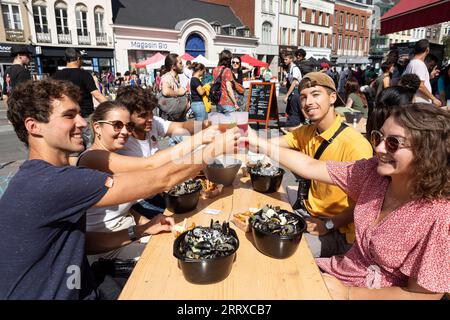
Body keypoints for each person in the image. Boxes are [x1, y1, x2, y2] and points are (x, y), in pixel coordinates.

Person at [0, 79, 240, 299]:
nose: (82, 122)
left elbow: (85, 243)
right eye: (69, 116)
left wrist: (140, 230)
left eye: (80, 114)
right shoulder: (52, 182)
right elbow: (159, 176)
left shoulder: (45, 176)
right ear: (33, 126)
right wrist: (211, 150)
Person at [251, 103, 449, 299]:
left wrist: (349, 293)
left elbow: (425, 295)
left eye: (393, 143)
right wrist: (257, 142)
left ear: (428, 153)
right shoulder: (373, 173)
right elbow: (310, 166)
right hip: (337, 275)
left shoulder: (438, 215)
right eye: (378, 137)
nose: (379, 148)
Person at [76, 101, 219, 262]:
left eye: (128, 126)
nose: (124, 132)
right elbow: (151, 165)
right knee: (180, 257)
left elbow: (121, 208)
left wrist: (147, 224)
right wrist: (200, 140)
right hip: (108, 251)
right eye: (117, 125)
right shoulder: (93, 157)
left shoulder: (115, 153)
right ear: (97, 127)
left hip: (130, 235)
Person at [263, 72, 373, 258]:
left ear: (332, 97)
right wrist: (243, 138)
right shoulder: (308, 131)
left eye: (315, 94)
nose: (308, 102)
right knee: (263, 226)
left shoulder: (355, 144)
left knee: (284, 251)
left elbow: (365, 204)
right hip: (308, 214)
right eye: (304, 97)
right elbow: (270, 144)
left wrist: (329, 225)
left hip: (338, 230)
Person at [54, 48, 108, 147]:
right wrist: (111, 106)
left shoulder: (57, 75)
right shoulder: (85, 75)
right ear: (78, 58)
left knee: (71, 146)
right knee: (89, 144)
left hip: (66, 116)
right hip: (85, 115)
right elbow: (97, 95)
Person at [403, 39, 441, 107]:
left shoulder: (412, 63)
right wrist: (434, 99)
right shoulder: (419, 64)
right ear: (427, 50)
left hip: (416, 103)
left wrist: (429, 76)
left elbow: (414, 81)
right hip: (420, 104)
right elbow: (420, 85)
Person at [158, 53, 189, 121]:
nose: (182, 65)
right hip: (170, 121)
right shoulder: (167, 77)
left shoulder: (173, 78)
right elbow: (165, 91)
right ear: (173, 66)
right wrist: (179, 92)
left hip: (175, 119)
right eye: (180, 63)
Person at [212, 50, 239, 114]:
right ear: (228, 60)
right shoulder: (227, 70)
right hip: (227, 103)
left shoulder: (215, 70)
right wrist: (235, 103)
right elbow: (229, 89)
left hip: (218, 102)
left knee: (222, 123)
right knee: (231, 123)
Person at [283, 52, 303, 127]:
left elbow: (294, 83)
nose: (284, 61)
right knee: (292, 110)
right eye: (284, 59)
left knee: (294, 110)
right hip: (293, 91)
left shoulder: (295, 69)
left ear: (291, 59)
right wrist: (284, 82)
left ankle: (295, 125)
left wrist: (286, 95)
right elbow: (290, 81)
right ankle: (294, 124)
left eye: (286, 59)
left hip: (296, 91)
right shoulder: (290, 68)